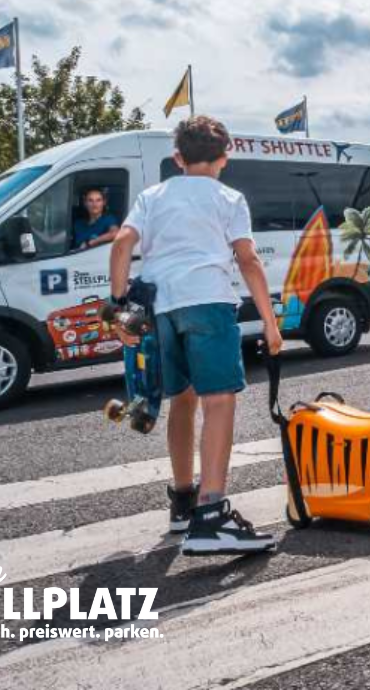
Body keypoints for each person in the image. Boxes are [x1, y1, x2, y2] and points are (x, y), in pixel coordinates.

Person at [108, 116, 284, 556]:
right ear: (225, 158)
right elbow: (247, 260)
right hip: (208, 302)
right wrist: (270, 321)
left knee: (182, 400)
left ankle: (183, 502)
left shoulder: (152, 196)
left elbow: (122, 244)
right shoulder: (229, 198)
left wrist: (119, 308)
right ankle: (212, 516)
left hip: (160, 308)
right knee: (219, 401)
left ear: (178, 159)